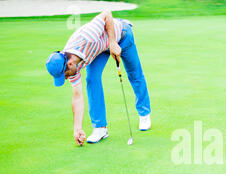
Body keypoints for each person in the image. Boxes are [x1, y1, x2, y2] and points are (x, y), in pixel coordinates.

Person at [45, 10, 151, 146]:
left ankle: (144, 113)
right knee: (92, 79)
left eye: (64, 75)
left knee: (134, 74)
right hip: (100, 49)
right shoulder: (71, 67)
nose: (65, 78)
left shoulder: (87, 37)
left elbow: (107, 14)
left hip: (122, 36)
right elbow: (77, 96)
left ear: (69, 64)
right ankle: (100, 128)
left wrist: (112, 42)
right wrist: (77, 129)